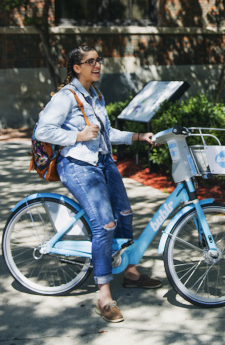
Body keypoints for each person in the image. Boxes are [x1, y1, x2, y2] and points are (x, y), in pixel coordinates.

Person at [35, 44, 161, 323]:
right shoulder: (66, 96)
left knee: (125, 215)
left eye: (98, 60)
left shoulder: (96, 95)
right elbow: (42, 129)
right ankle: (103, 296)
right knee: (104, 224)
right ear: (76, 67)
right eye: (90, 61)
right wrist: (77, 136)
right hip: (78, 165)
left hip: (103, 162)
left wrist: (138, 137)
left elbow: (108, 132)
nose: (97, 65)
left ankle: (129, 272)